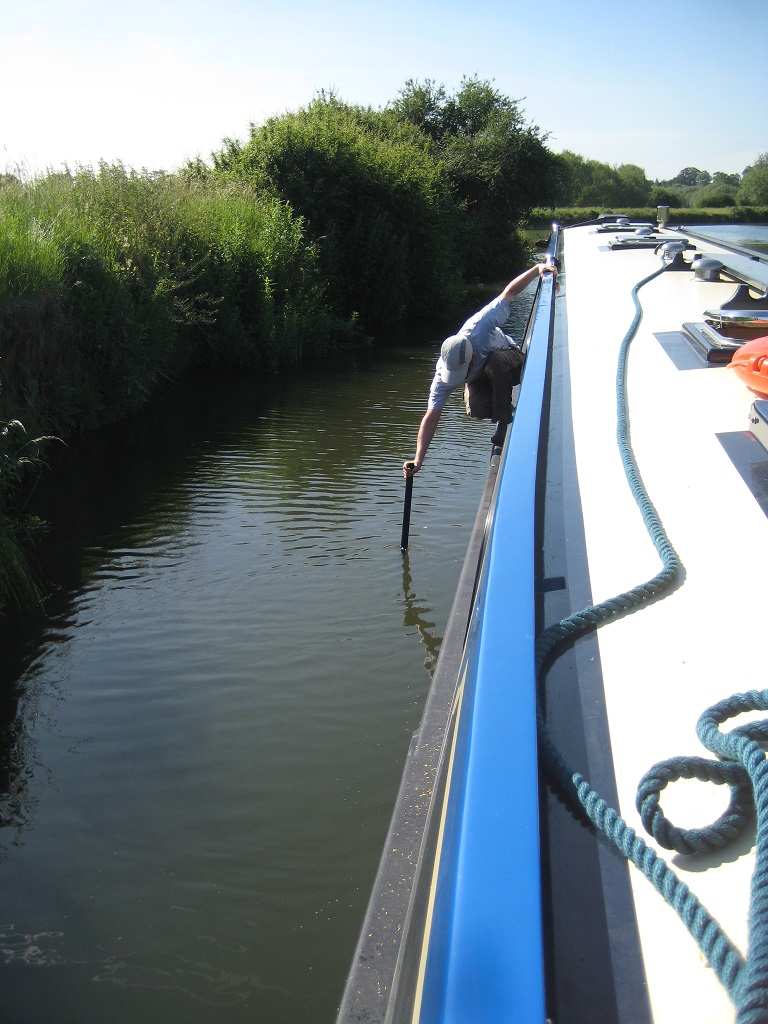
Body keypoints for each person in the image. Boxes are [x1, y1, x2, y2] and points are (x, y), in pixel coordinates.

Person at [403, 262, 557, 478]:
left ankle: (504, 420)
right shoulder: (442, 374)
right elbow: (431, 416)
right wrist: (418, 458)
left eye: (463, 372)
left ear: (473, 356)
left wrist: (536, 269)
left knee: (494, 361)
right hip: (484, 377)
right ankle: (504, 407)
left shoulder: (480, 326)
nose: (459, 378)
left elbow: (509, 293)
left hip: (510, 361)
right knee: (476, 408)